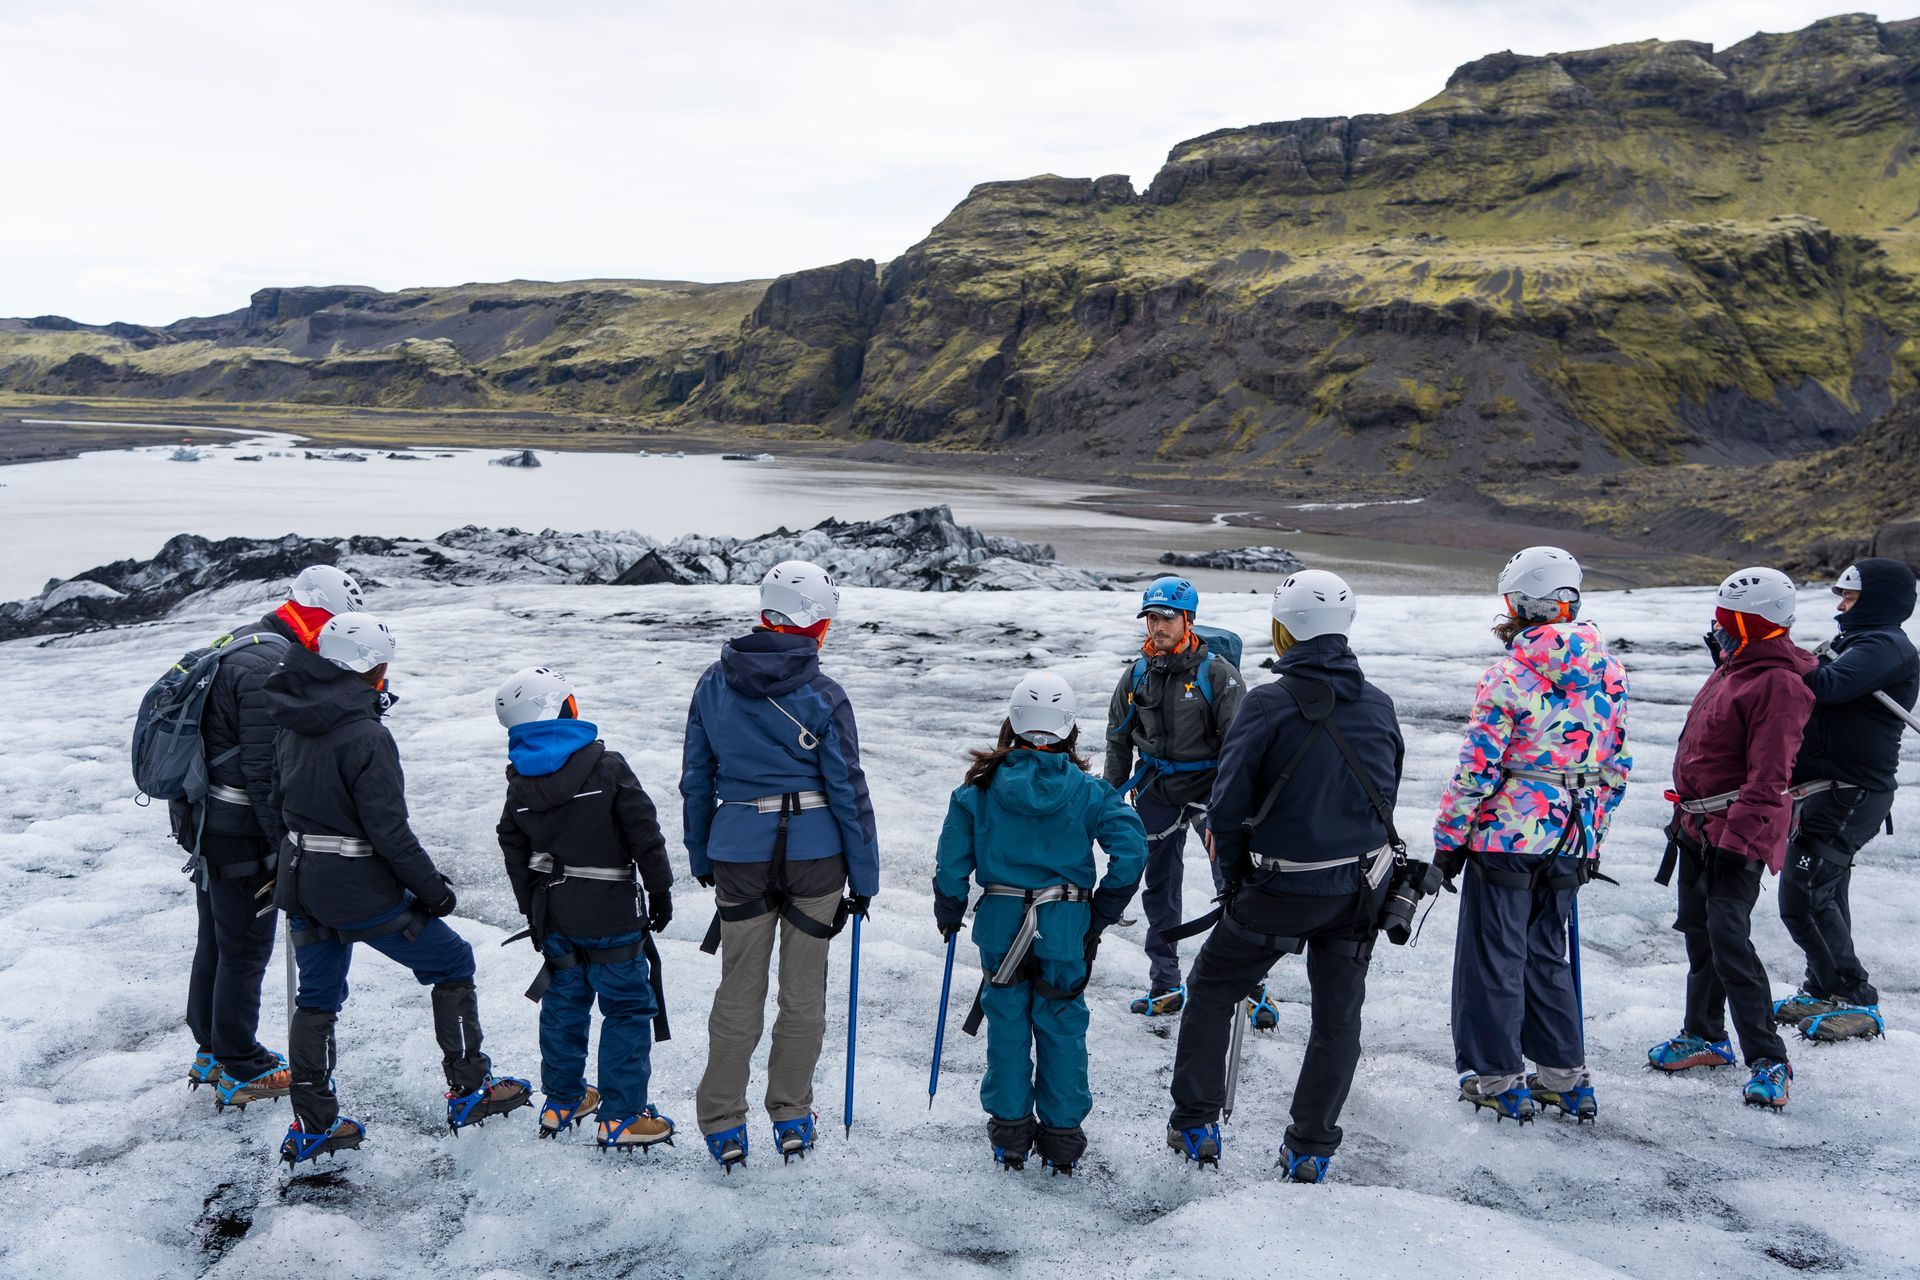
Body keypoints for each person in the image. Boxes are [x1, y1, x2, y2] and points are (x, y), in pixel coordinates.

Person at [1167, 570, 1404, 1183]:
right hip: (1359, 892)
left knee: (1214, 987)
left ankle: (1196, 1122)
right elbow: (1385, 795)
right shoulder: (1379, 704)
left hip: (1279, 890)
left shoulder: (1267, 703)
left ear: (1285, 628)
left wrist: (1234, 881)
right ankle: (1310, 1147)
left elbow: (1226, 806)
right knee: (1337, 1018)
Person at [267, 612, 530, 1164]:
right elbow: (388, 831)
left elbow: (278, 806)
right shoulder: (366, 735)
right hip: (359, 892)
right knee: (453, 960)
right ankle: (469, 1089)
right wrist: (433, 892)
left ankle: (315, 1125)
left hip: (303, 882)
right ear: (373, 667)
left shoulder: (292, 722)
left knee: (315, 999)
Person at [680, 561, 879, 1171]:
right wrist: (865, 877)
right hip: (815, 854)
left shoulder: (714, 682)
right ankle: (791, 1112)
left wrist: (699, 852)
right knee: (802, 992)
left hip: (738, 847)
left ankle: (722, 1121)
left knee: (738, 989)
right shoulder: (824, 693)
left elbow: (696, 778)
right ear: (818, 623)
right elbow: (847, 787)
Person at [1432, 547, 1631, 1124]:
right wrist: (1595, 833)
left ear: (1520, 603)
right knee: (1548, 952)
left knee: (1495, 955)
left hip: (1508, 836)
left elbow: (1478, 767)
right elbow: (1617, 764)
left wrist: (1449, 842)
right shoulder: (1610, 671)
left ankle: (1496, 1078)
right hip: (1573, 834)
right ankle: (1565, 1078)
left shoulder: (1511, 675)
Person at [933, 671, 1146, 1174]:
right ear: (1070, 729)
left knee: (1006, 1021)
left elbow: (951, 865)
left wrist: (949, 907)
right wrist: (1102, 911)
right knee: (1062, 1023)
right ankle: (1062, 1139)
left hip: (1002, 923)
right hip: (1065, 922)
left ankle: (1010, 1135)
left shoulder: (977, 791)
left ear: (1014, 722)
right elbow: (1132, 851)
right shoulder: (1090, 793)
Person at [176, 564, 364, 1110]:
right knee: (246, 948)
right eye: (331, 620)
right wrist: (285, 843)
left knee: (216, 937)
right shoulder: (267, 664)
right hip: (239, 833)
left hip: (210, 823)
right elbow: (265, 771)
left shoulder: (241, 643)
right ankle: (240, 1064)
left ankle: (211, 1050)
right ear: (312, 610)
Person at [1649, 568, 1815, 1109]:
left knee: (1727, 939)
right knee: (1701, 934)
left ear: (1753, 623)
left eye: (1727, 621)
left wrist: (1735, 843)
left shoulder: (1779, 683)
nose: (1716, 628)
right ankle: (1704, 1035)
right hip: (1698, 826)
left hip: (1737, 832)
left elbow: (1770, 779)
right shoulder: (1733, 666)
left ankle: (1769, 1059)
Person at [495, 666, 678, 1151]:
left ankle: (562, 1101)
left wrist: (530, 908)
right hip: (613, 915)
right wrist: (659, 891)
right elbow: (645, 834)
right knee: (626, 1008)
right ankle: (620, 1117)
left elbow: (512, 846)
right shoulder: (607, 767)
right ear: (561, 710)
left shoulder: (520, 781)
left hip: (555, 915)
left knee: (564, 1004)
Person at [1772, 558, 1917, 1042]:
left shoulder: (1885, 646)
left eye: (1849, 597)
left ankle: (1855, 998)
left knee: (1805, 894)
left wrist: (1776, 651)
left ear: (1875, 599)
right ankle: (1823, 987)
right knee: (1824, 891)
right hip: (1827, 790)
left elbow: (1825, 688)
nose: (1840, 606)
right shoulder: (1854, 642)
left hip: (1851, 793)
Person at [1103, 575, 1248, 1019]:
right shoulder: (1138, 674)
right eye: (1151, 617)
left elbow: (1241, 747)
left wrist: (1233, 809)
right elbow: (1118, 737)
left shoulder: (1218, 675)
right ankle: (1165, 984)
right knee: (1160, 887)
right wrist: (1110, 800)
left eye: (1166, 617)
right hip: (1156, 790)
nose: (1156, 626)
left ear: (1188, 620)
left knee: (1233, 881)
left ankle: (1251, 984)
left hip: (1211, 791)